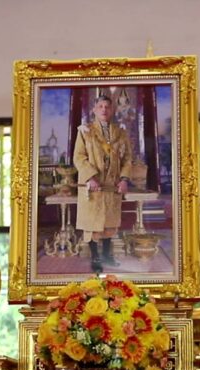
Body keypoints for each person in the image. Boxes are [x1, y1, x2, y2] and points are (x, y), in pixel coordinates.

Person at [73, 93, 133, 274]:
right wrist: (90, 177)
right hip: (93, 186)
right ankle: (95, 258)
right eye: (100, 106)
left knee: (109, 222)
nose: (104, 110)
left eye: (107, 106)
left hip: (112, 185)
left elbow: (127, 158)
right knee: (92, 224)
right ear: (94, 110)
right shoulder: (85, 131)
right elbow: (79, 157)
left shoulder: (120, 133)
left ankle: (107, 255)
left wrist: (124, 179)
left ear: (112, 110)